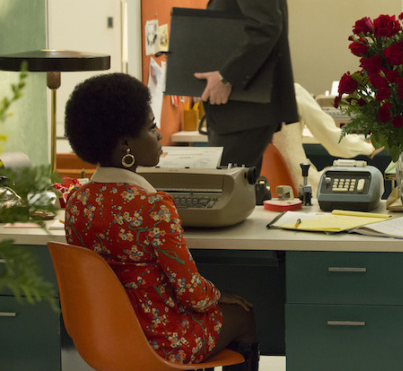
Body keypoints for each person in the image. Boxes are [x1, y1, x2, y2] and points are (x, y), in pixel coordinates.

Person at [63, 73, 259, 369]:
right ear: (125, 143)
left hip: (104, 336)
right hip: (164, 342)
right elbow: (193, 294)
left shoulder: (77, 202)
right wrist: (218, 295)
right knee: (245, 315)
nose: (159, 135)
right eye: (151, 127)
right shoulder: (153, 206)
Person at [194, 0, 298, 172]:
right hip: (244, 111)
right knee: (238, 190)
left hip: (243, 112)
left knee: (225, 191)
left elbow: (265, 27)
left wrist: (226, 76)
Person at [272, 83, 382, 195]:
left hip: (265, 188)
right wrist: (368, 147)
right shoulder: (294, 91)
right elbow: (334, 141)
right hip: (299, 184)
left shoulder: (260, 96)